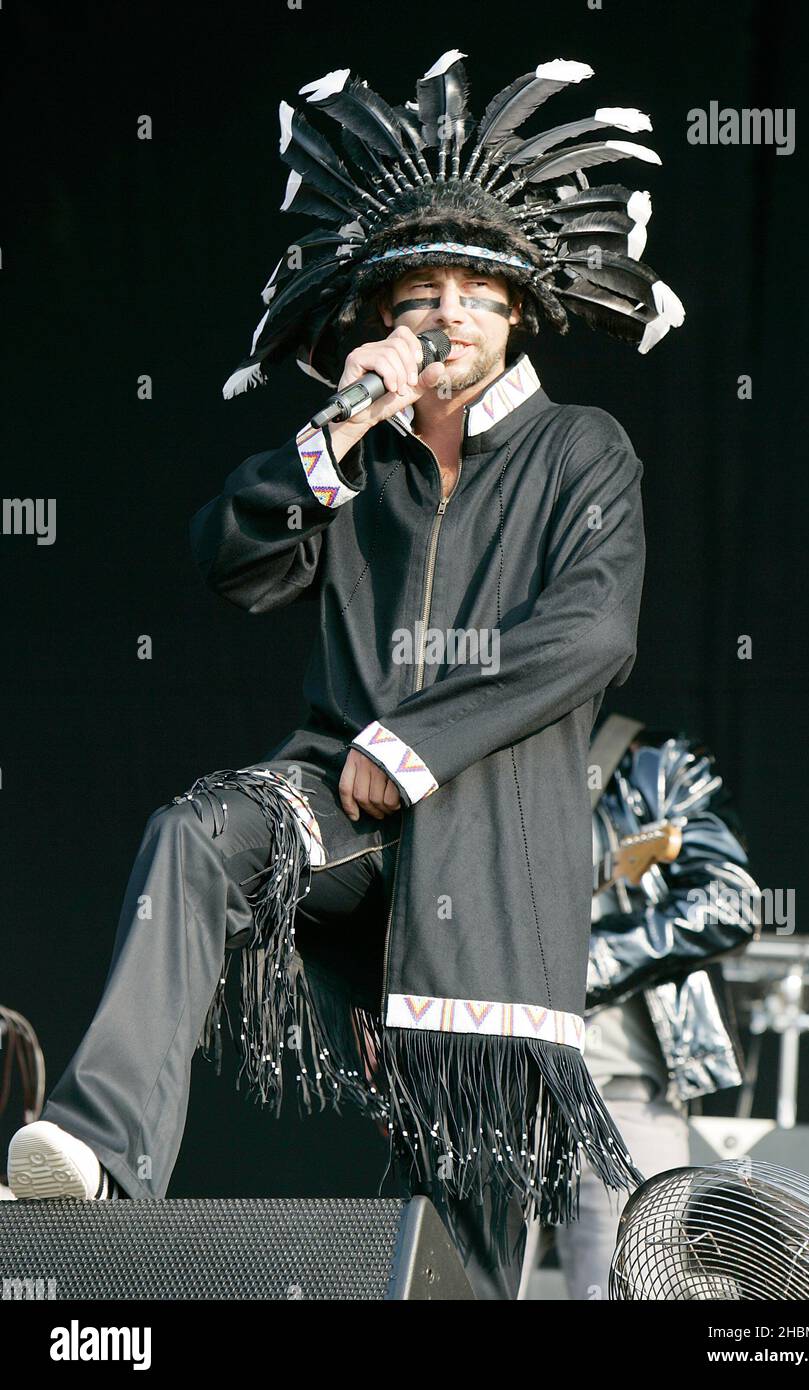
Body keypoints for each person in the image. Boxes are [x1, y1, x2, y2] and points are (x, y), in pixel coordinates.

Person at [7, 52, 684, 1299]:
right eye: (420, 296)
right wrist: (341, 424)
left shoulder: (583, 449)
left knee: (468, 1221)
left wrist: (412, 741)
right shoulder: (355, 450)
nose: (445, 316)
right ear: (383, 318)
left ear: (517, 311)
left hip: (485, 854)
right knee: (200, 832)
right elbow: (228, 559)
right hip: (344, 822)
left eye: (473, 294)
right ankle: (99, 1154)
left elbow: (590, 636)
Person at [520, 717, 761, 1298]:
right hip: (492, 1086)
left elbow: (729, 901)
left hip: (622, 1095)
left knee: (637, 1287)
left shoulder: (654, 768)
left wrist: (577, 971)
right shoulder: (463, 756)